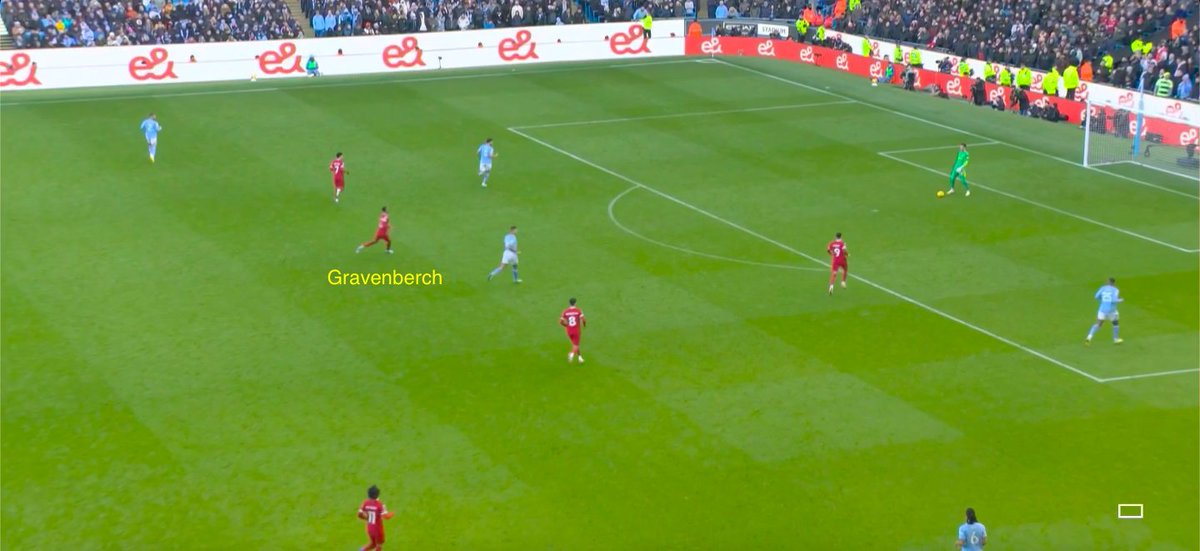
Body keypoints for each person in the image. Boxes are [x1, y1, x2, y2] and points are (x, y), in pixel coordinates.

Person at [1086, 277, 1123, 345]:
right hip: (1111, 311)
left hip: (1102, 310)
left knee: (1098, 324)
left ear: (1108, 282)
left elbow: (1096, 296)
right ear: (1113, 283)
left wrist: (1103, 301)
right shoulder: (1115, 290)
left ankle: (1089, 337)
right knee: (1115, 323)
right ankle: (1116, 339)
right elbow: (1113, 300)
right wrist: (1120, 300)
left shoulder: (1103, 288)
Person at [357, 485, 394, 551]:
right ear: (378, 494)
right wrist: (392, 513)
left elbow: (359, 514)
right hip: (378, 529)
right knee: (379, 545)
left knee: (373, 544)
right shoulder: (380, 505)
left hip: (369, 528)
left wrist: (367, 518)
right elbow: (386, 516)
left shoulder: (365, 502)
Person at [560, 297, 587, 363]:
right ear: (575, 303)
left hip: (569, 331)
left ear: (569, 303)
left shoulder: (565, 311)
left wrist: (566, 325)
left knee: (574, 344)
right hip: (576, 330)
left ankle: (580, 358)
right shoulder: (578, 310)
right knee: (576, 345)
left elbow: (561, 322)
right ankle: (571, 354)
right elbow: (583, 320)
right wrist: (584, 325)